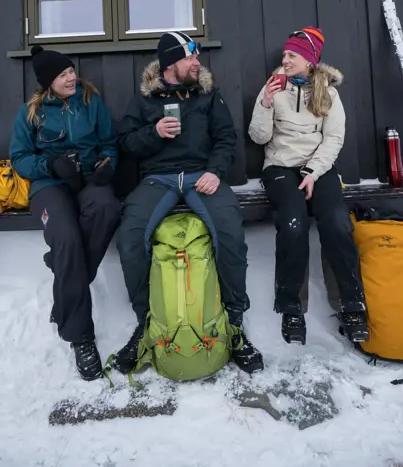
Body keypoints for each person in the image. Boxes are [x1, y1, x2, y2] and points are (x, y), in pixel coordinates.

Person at [110, 31, 264, 375]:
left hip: (201, 176)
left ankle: (235, 324)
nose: (197, 63)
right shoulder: (144, 101)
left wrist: (215, 171)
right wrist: (154, 133)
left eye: (196, 57)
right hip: (158, 178)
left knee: (230, 235)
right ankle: (147, 323)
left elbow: (226, 137)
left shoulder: (208, 96)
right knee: (130, 237)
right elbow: (125, 142)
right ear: (170, 65)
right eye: (190, 58)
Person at [248, 27, 369, 345]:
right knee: (293, 224)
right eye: (284, 55)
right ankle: (291, 308)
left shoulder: (328, 92)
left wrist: (313, 172)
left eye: (292, 55)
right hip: (280, 168)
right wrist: (265, 102)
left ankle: (352, 304)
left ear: (309, 60)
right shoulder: (273, 86)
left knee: (336, 222)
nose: (284, 60)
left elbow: (334, 138)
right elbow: (258, 137)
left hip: (319, 168)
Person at [9, 45, 121, 381]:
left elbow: (110, 144)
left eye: (71, 71)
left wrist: (107, 166)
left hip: (88, 181)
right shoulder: (31, 113)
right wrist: (51, 164)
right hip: (49, 186)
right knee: (67, 239)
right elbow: (19, 158)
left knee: (107, 207)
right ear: (48, 82)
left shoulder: (91, 103)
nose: (71, 77)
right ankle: (80, 336)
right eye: (63, 75)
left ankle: (65, 276)